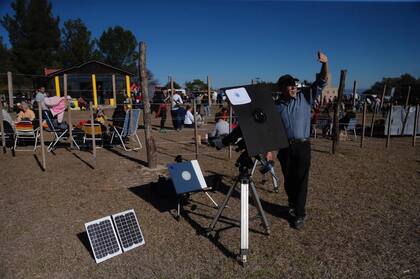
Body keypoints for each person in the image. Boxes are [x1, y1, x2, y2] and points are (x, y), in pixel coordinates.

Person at [276, 51, 329, 230]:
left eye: (294, 84)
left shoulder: (305, 97)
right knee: (289, 180)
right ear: (282, 88)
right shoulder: (276, 106)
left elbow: (322, 81)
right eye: (289, 85)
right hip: (284, 148)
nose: (293, 88)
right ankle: (292, 205)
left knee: (301, 180)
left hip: (302, 145)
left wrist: (324, 63)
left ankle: (299, 213)